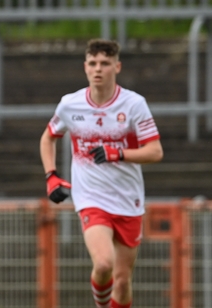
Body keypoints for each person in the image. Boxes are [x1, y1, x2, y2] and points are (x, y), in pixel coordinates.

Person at [39, 39, 163, 308]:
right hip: (91, 198)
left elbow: (155, 151)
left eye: (105, 63)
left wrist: (117, 154)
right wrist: (51, 175)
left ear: (116, 67)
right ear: (85, 67)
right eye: (93, 63)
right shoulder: (70, 104)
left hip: (128, 200)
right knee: (104, 263)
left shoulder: (133, 104)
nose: (98, 69)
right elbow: (48, 138)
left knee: (122, 280)